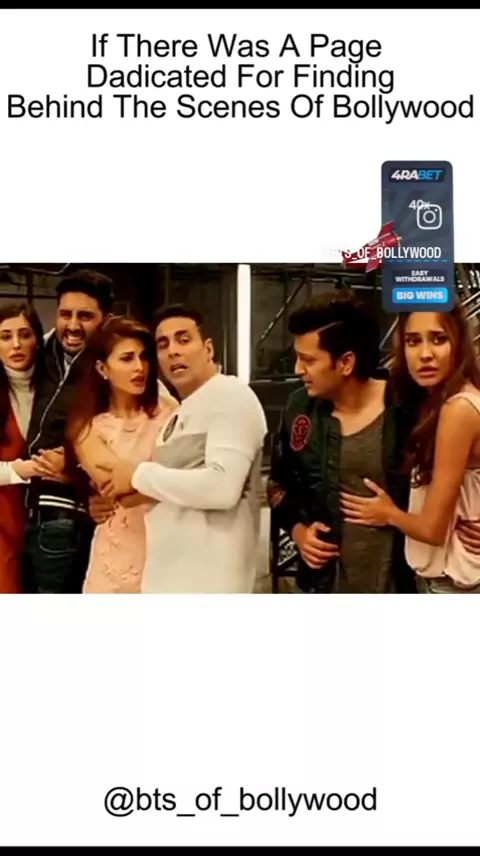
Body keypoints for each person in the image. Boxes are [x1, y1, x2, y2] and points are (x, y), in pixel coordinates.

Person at [92, 304, 268, 593]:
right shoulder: (179, 412)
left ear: (208, 349)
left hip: (210, 582)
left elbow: (222, 487)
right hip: (167, 577)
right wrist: (113, 499)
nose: (173, 351)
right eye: (163, 345)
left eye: (183, 340)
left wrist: (138, 475)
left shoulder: (230, 394)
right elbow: (170, 490)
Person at [267, 291, 417, 594]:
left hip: (401, 583)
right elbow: (277, 485)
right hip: (323, 585)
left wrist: (398, 516)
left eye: (308, 360)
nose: (298, 370)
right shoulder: (299, 409)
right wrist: (298, 531)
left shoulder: (409, 409)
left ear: (346, 362)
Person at [339, 303, 480, 593]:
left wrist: (387, 512)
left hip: (454, 584)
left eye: (439, 339)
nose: (425, 354)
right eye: (413, 341)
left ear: (459, 343)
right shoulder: (434, 402)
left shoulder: (458, 409)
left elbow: (432, 529)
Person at [65, 316, 177, 593]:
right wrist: (172, 484)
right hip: (116, 552)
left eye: (144, 357)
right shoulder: (86, 426)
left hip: (169, 544)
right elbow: (117, 488)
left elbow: (189, 472)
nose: (140, 367)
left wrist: (164, 483)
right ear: (102, 368)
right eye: (127, 358)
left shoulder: (170, 410)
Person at [21, 269, 114, 594]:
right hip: (28, 512)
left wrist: (74, 469)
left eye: (85, 316)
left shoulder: (114, 368)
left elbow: (136, 441)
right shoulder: (44, 353)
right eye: (65, 314)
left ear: (105, 319)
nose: (72, 325)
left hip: (69, 518)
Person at [0, 303, 45, 592]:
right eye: (5, 337)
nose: (16, 344)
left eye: (24, 334)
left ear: (38, 340)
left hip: (46, 523)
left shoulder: (56, 388)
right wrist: (18, 470)